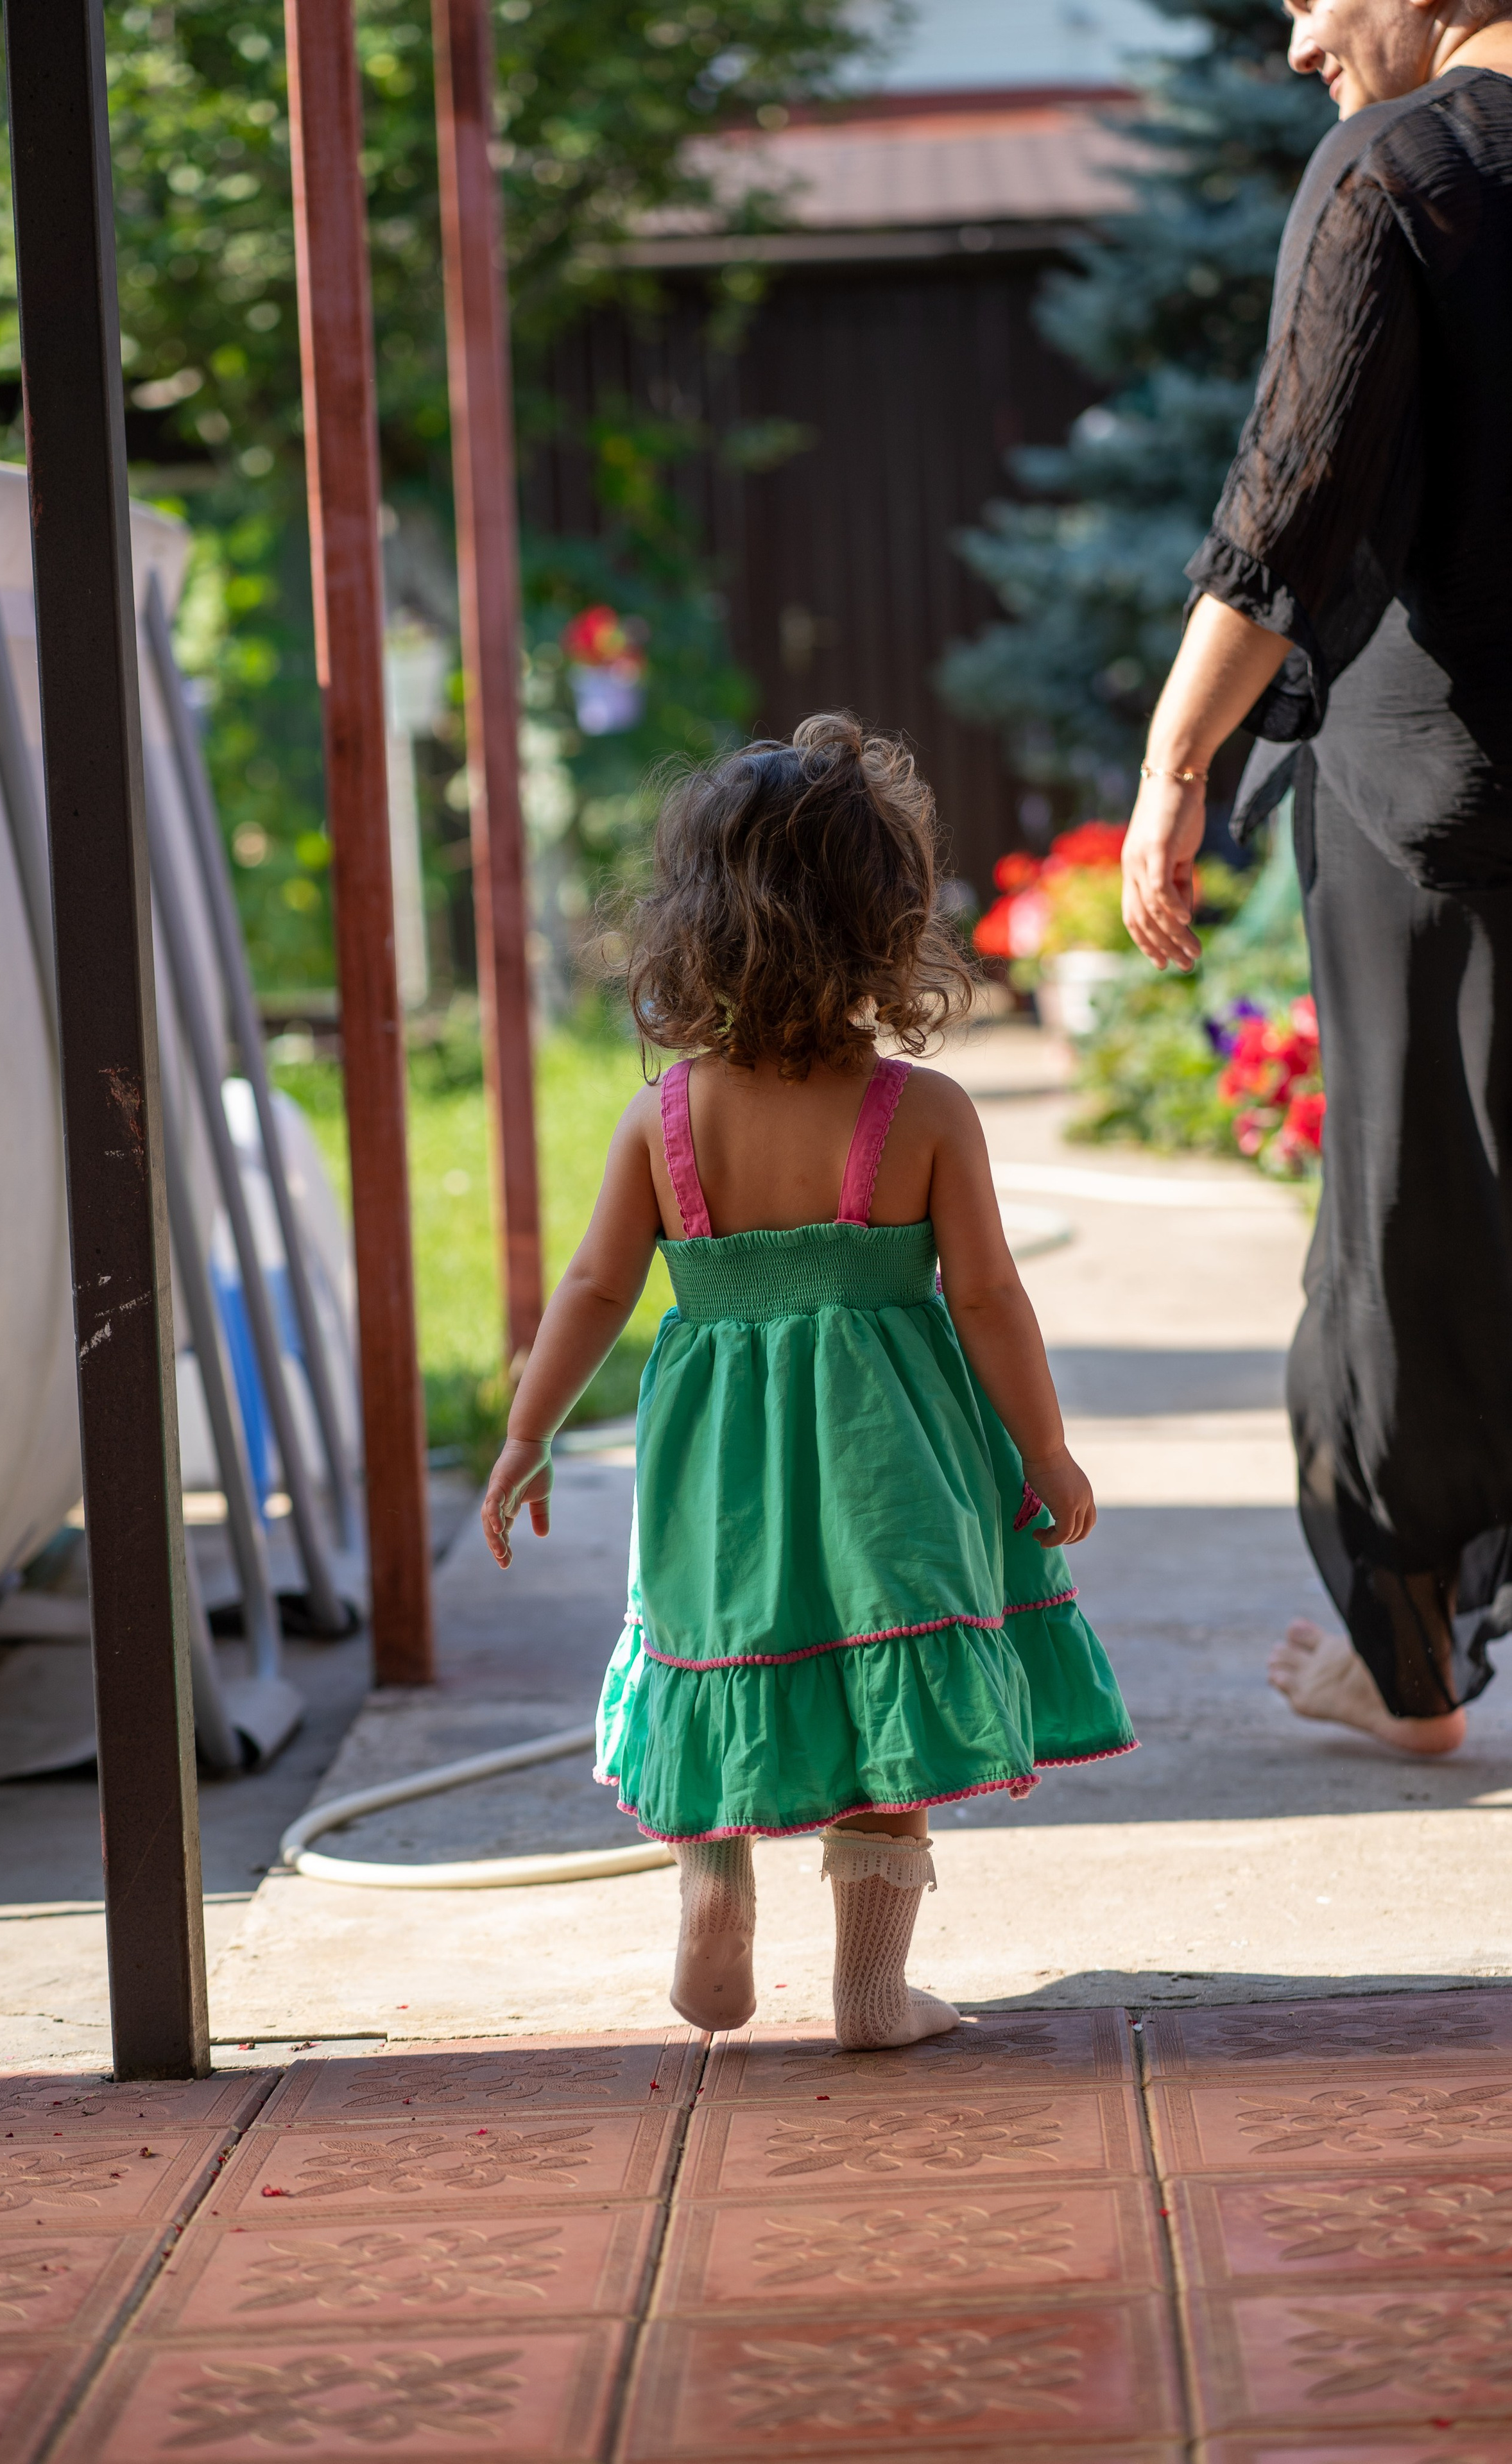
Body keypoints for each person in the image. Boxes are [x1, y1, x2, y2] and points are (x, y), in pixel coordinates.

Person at [481, 715, 1135, 2046]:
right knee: (880, 1692)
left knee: (721, 1653)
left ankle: (712, 1894)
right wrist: (1048, 1453)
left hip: (717, 1474)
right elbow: (988, 1298)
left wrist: (526, 1432)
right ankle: (871, 1989)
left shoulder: (667, 1118)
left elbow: (593, 1291)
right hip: (892, 1464)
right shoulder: (923, 1116)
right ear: (886, 922)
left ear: (691, 926)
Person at [1120, 0, 1512, 1756]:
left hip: (1443, 787)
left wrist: (1174, 759)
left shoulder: (1404, 168)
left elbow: (1290, 499)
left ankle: (1406, 1662)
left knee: (1412, 1217)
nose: (1298, 44)